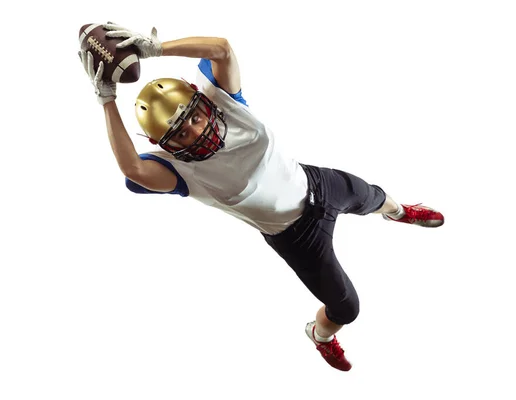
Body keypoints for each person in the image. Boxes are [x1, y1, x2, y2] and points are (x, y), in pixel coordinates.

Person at [78, 22, 445, 372]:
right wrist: (106, 99)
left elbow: (221, 48)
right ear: (164, 145)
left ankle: (398, 213)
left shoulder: (225, 101)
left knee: (374, 196)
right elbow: (133, 170)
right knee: (346, 308)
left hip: (316, 183)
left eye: (192, 116)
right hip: (298, 238)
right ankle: (318, 335)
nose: (192, 130)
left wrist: (157, 48)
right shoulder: (181, 172)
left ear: (201, 100)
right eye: (179, 132)